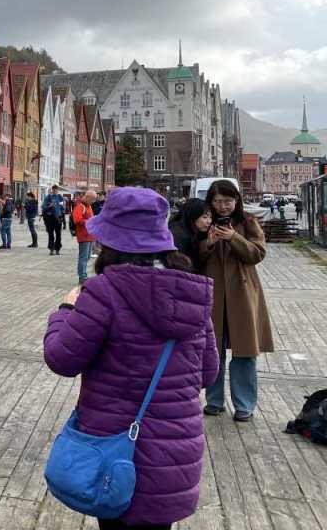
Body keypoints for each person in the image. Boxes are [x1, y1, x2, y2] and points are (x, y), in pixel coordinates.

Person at [43, 187, 219, 530]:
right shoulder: (191, 292)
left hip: (115, 450)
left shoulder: (104, 292)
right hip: (172, 459)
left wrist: (64, 311)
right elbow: (207, 374)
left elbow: (61, 358)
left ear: (113, 241)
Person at [199, 179, 273, 422]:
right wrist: (208, 243)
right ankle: (214, 401)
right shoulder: (204, 222)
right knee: (213, 350)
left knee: (245, 351)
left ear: (237, 200)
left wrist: (234, 238)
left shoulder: (248, 221)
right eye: (218, 201)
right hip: (213, 294)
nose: (223, 206)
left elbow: (258, 253)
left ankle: (244, 404)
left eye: (228, 201)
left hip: (242, 295)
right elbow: (193, 255)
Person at [168, 198, 211, 273]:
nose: (209, 221)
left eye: (211, 217)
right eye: (205, 217)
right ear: (192, 215)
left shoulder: (192, 231)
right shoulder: (178, 234)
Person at [72, 191, 96, 285]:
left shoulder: (88, 206)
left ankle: (83, 275)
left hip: (89, 236)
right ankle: (82, 277)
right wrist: (89, 221)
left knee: (87, 257)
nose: (94, 201)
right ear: (87, 197)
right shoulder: (80, 206)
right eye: (93, 199)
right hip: (83, 236)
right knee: (83, 257)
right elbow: (77, 220)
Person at [42, 185, 65, 256]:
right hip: (50, 218)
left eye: (56, 190)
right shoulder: (48, 197)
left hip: (58, 217)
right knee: (51, 234)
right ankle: (51, 249)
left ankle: (57, 249)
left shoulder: (60, 197)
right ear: (52, 190)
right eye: (54, 190)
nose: (55, 191)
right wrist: (50, 206)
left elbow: (63, 207)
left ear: (58, 190)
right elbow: (43, 207)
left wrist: (62, 211)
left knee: (58, 235)